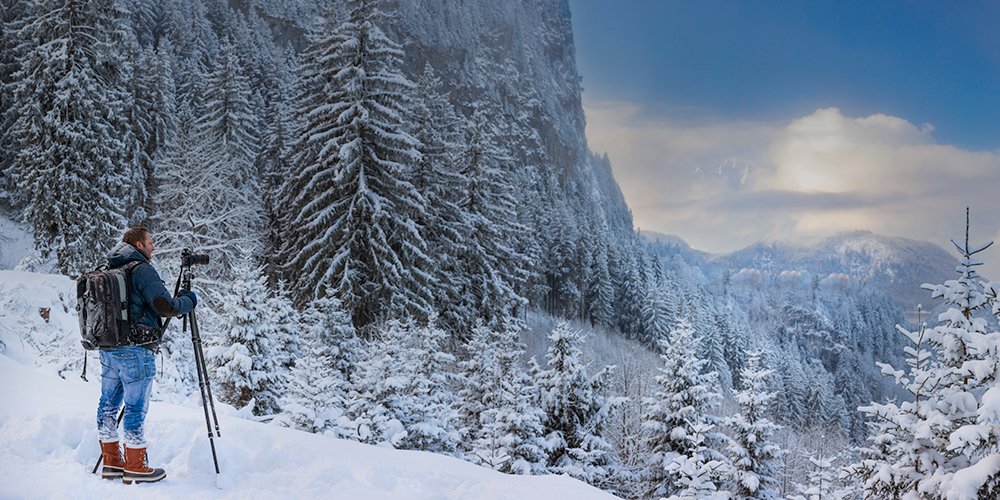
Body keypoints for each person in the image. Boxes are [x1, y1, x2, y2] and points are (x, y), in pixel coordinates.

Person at [96, 227, 197, 483]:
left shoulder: (110, 269)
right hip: (136, 349)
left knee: (107, 405)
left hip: (109, 348)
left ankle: (112, 463)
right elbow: (165, 307)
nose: (153, 247)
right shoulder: (141, 269)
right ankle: (136, 466)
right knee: (135, 409)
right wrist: (188, 300)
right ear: (139, 244)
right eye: (150, 242)